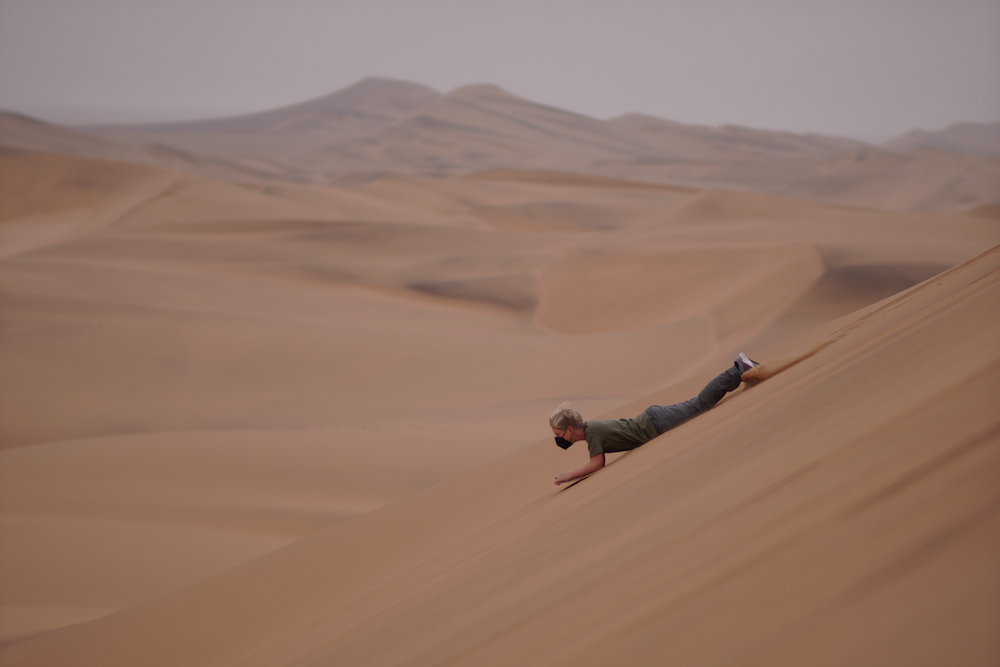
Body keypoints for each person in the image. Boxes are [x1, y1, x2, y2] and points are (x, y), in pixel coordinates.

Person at [550, 353, 760, 485]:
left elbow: (597, 464)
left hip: (657, 423)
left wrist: (568, 475)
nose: (558, 439)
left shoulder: (591, 432)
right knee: (697, 404)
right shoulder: (591, 431)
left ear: (570, 430)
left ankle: (737, 369)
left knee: (701, 405)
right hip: (654, 419)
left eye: (558, 434)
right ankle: (740, 370)